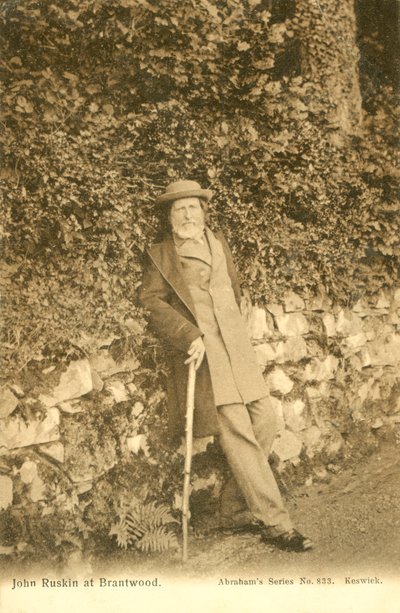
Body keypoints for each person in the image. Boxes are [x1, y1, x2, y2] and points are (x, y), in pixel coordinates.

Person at [139, 179, 313, 553]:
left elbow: (232, 290)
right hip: (208, 355)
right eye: (179, 209)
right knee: (239, 432)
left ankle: (233, 509)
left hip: (237, 348)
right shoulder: (163, 253)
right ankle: (276, 522)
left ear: (204, 212)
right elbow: (151, 302)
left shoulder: (219, 243)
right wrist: (189, 334)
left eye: (193, 207)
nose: (187, 215)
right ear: (170, 217)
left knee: (265, 419)